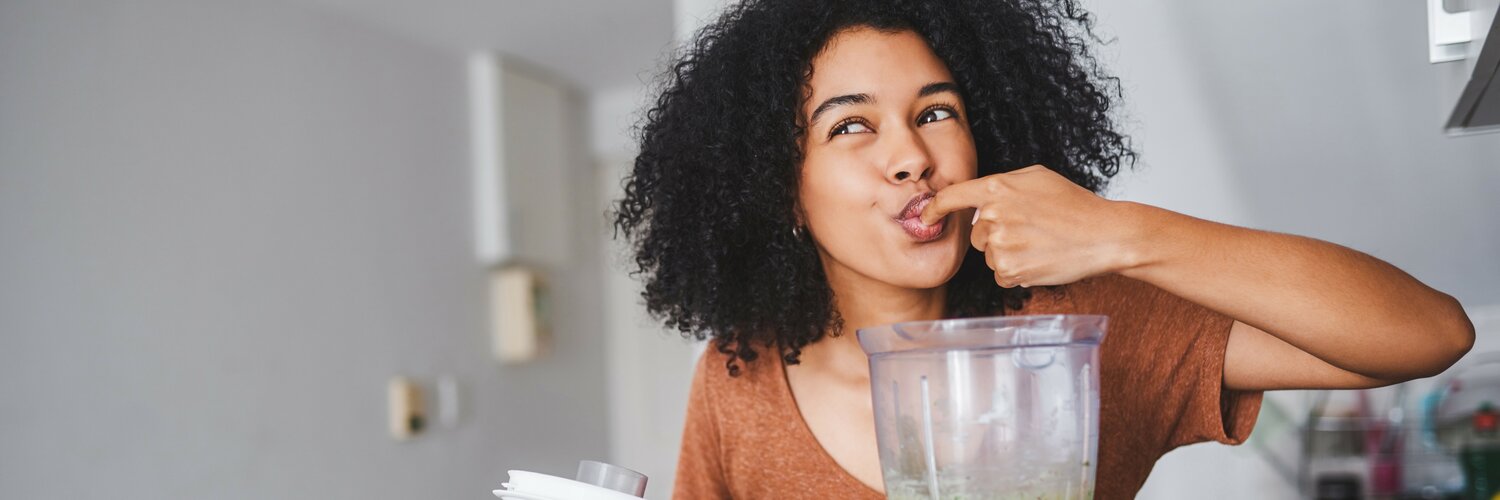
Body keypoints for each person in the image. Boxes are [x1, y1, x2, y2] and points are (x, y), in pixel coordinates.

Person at [610, 1, 1475, 498]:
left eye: (937, 111)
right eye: (851, 126)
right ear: (781, 190)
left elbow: (1429, 334)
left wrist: (1122, 233)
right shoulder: (740, 376)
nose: (912, 152)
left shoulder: (1086, 329)